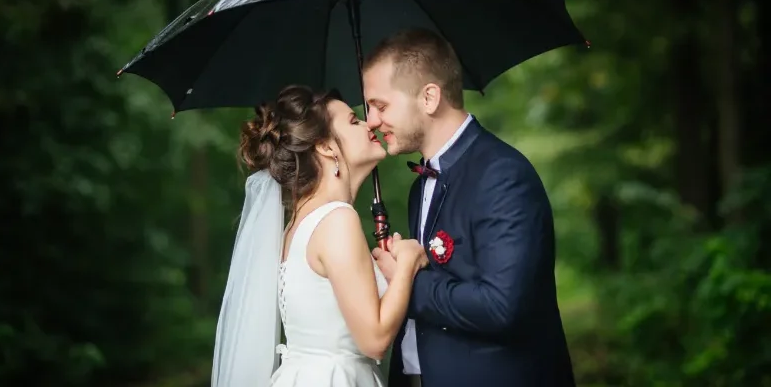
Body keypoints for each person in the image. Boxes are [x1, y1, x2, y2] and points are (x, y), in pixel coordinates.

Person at [363, 28, 576, 387]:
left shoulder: (502, 175)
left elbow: (501, 306)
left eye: (380, 106)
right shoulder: (421, 188)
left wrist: (403, 283)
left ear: (429, 97)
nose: (371, 121)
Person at [210, 85, 429, 387]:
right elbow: (375, 339)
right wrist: (407, 263)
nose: (370, 124)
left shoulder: (299, 223)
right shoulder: (337, 219)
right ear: (326, 146)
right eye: (354, 121)